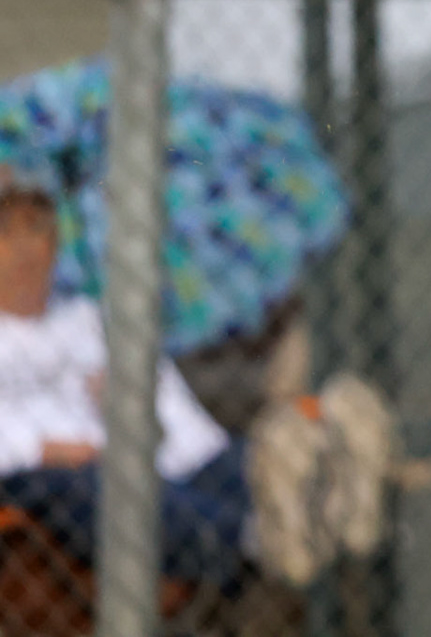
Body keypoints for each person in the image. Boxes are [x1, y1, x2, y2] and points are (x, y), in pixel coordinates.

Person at [0, 156, 392, 594]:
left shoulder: (93, 320)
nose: (24, 248)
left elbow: (185, 430)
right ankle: (262, 537)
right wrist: (39, 449)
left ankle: (329, 502)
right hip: (46, 485)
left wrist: (135, 409)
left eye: (35, 227)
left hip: (155, 474)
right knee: (94, 485)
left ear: (55, 240)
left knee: (251, 455)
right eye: (4, 231)